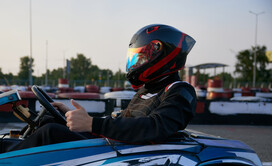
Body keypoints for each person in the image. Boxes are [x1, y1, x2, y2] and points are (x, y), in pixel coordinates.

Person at [11, 24, 197, 151]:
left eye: (140, 58)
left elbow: (154, 127)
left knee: (51, 133)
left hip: (130, 156)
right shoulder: (147, 90)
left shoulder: (179, 92)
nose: (135, 64)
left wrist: (92, 124)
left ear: (160, 56)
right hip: (116, 146)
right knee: (50, 123)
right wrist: (70, 116)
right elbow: (122, 121)